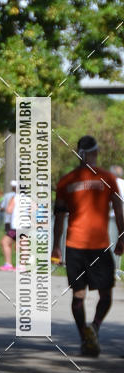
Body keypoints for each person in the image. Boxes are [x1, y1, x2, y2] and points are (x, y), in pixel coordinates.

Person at [52, 136, 124, 356]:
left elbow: (60, 218)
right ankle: (94, 328)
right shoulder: (107, 178)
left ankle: (86, 336)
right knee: (106, 294)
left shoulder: (66, 181)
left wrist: (56, 247)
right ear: (96, 151)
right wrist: (121, 237)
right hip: (98, 246)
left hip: (74, 246)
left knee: (78, 296)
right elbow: (119, 209)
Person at [0, 180, 18, 270]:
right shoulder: (28, 198)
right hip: (17, 225)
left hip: (14, 225)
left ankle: (9, 264)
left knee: (5, 242)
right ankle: (19, 265)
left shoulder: (13, 197)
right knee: (17, 243)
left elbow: (7, 209)